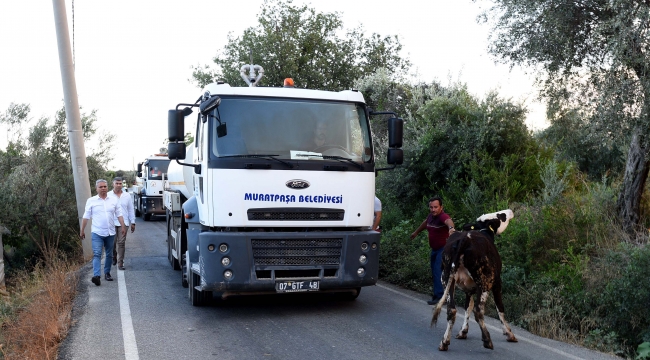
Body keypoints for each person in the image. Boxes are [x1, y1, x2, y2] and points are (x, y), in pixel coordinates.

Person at [80, 179, 127, 286]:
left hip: (110, 232)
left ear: (107, 187)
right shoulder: (91, 201)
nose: (103, 188)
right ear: (96, 188)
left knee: (109, 254)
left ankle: (107, 273)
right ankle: (97, 276)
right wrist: (82, 230)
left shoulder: (114, 200)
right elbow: (86, 217)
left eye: (105, 186)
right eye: (101, 187)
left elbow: (119, 214)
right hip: (97, 232)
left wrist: (123, 226)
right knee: (97, 254)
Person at [410, 196, 455, 305]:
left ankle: (439, 297)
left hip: (443, 249)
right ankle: (443, 295)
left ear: (441, 207)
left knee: (437, 271)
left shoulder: (442, 216)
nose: (433, 209)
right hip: (434, 249)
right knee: (436, 272)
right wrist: (416, 232)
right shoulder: (431, 217)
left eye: (436, 207)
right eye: (431, 207)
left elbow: (448, 221)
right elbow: (425, 223)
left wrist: (451, 228)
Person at [109, 177, 136, 270]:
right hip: (111, 223)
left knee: (121, 243)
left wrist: (133, 222)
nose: (119, 185)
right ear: (113, 184)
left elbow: (130, 209)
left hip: (123, 223)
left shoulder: (127, 195)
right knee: (112, 243)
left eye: (120, 183)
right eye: (117, 183)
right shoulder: (108, 195)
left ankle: (120, 263)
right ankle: (114, 255)